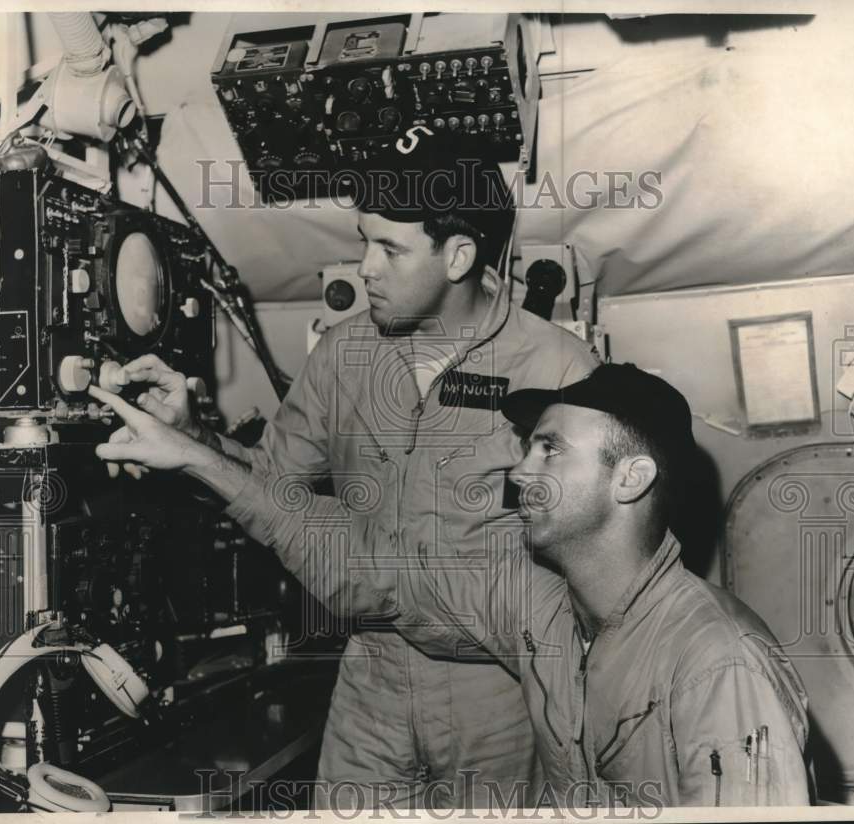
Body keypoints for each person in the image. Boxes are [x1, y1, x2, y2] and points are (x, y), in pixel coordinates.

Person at [95, 127, 599, 807]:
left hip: (500, 692)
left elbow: (593, 568)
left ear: (458, 256)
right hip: (372, 680)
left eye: (389, 248)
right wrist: (196, 437)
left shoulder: (559, 369)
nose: (365, 268)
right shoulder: (345, 354)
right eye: (364, 240)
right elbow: (272, 487)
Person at [89, 362, 811, 809]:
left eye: (550, 449)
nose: (522, 471)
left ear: (631, 478)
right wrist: (196, 458)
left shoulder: (718, 664)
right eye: (530, 446)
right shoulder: (539, 603)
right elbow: (371, 567)